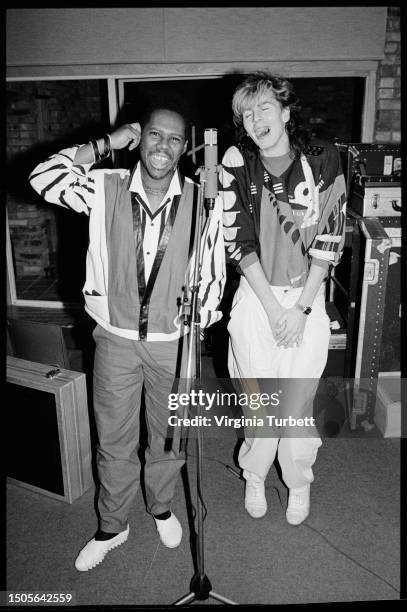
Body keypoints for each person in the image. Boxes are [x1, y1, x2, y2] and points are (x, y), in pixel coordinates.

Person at [29, 101, 225, 570]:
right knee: (114, 437)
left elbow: (215, 269)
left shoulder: (205, 199)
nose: (164, 146)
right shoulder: (102, 186)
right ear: (140, 137)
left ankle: (159, 505)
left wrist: (203, 313)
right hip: (115, 338)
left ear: (185, 147)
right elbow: (43, 176)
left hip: (174, 344)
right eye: (156, 135)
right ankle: (112, 525)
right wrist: (106, 143)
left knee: (170, 435)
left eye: (175, 139)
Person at [220, 72, 346, 525]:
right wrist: (274, 310)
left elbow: (330, 235)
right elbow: (239, 240)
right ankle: (254, 474)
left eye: (264, 108)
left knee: (295, 403)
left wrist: (303, 308)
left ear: (287, 112)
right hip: (257, 297)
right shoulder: (238, 164)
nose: (256, 119)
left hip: (306, 297)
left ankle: (297, 482)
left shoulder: (324, 158)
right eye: (247, 114)